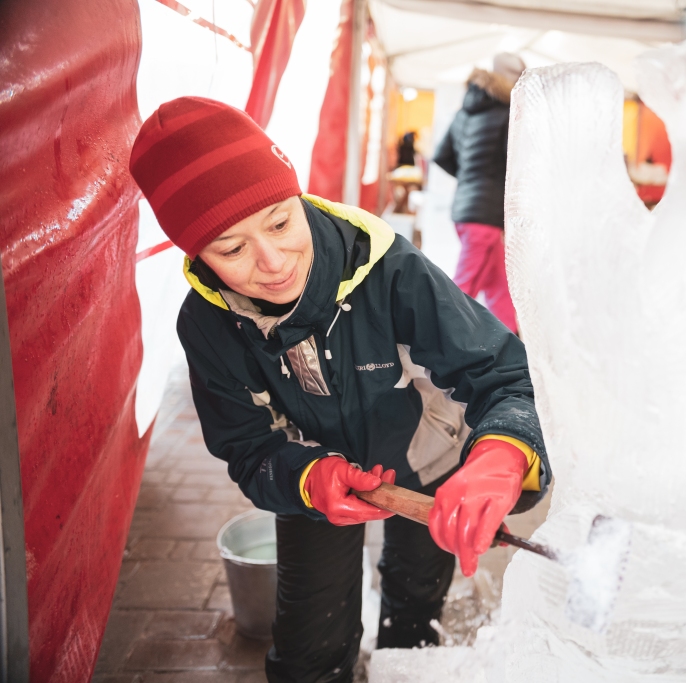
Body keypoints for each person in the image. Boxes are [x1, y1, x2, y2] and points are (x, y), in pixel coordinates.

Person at [129, 97, 550, 683]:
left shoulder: (388, 269)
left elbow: (506, 373)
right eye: (231, 248)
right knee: (308, 648)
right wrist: (306, 477)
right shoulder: (206, 324)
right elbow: (246, 446)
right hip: (316, 480)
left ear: (299, 198)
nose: (273, 262)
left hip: (428, 460)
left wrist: (503, 455)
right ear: (195, 253)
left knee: (413, 610)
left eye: (280, 221)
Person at [434, 53, 526, 334]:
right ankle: (437, 339)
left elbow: (441, 155)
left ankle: (510, 340)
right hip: (486, 216)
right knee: (464, 288)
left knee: (499, 284)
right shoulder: (508, 114)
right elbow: (516, 163)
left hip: (466, 211)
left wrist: (470, 179)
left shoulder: (464, 111)